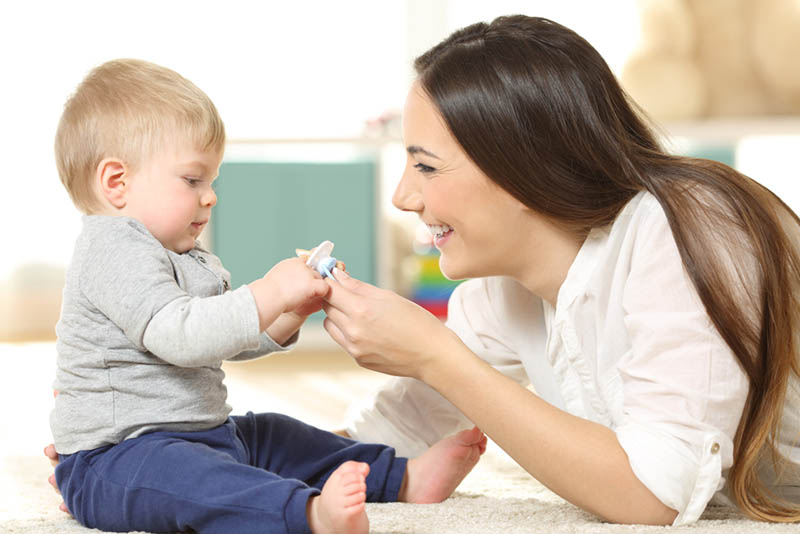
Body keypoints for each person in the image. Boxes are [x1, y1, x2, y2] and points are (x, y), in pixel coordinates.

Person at [318, 15, 800, 526]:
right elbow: (394, 431)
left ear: (522, 166)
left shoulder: (691, 226)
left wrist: (435, 357)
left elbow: (651, 497)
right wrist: (238, 447)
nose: (403, 197)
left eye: (427, 167)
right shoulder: (501, 290)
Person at [46, 58, 486, 534]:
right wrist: (267, 291)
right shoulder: (112, 248)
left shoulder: (184, 257)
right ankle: (309, 516)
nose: (210, 196)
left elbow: (222, 338)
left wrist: (288, 312)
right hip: (117, 458)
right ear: (117, 183)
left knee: (275, 434)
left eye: (210, 182)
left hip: (200, 435)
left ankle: (402, 478)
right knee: (196, 481)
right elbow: (180, 336)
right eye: (193, 180)